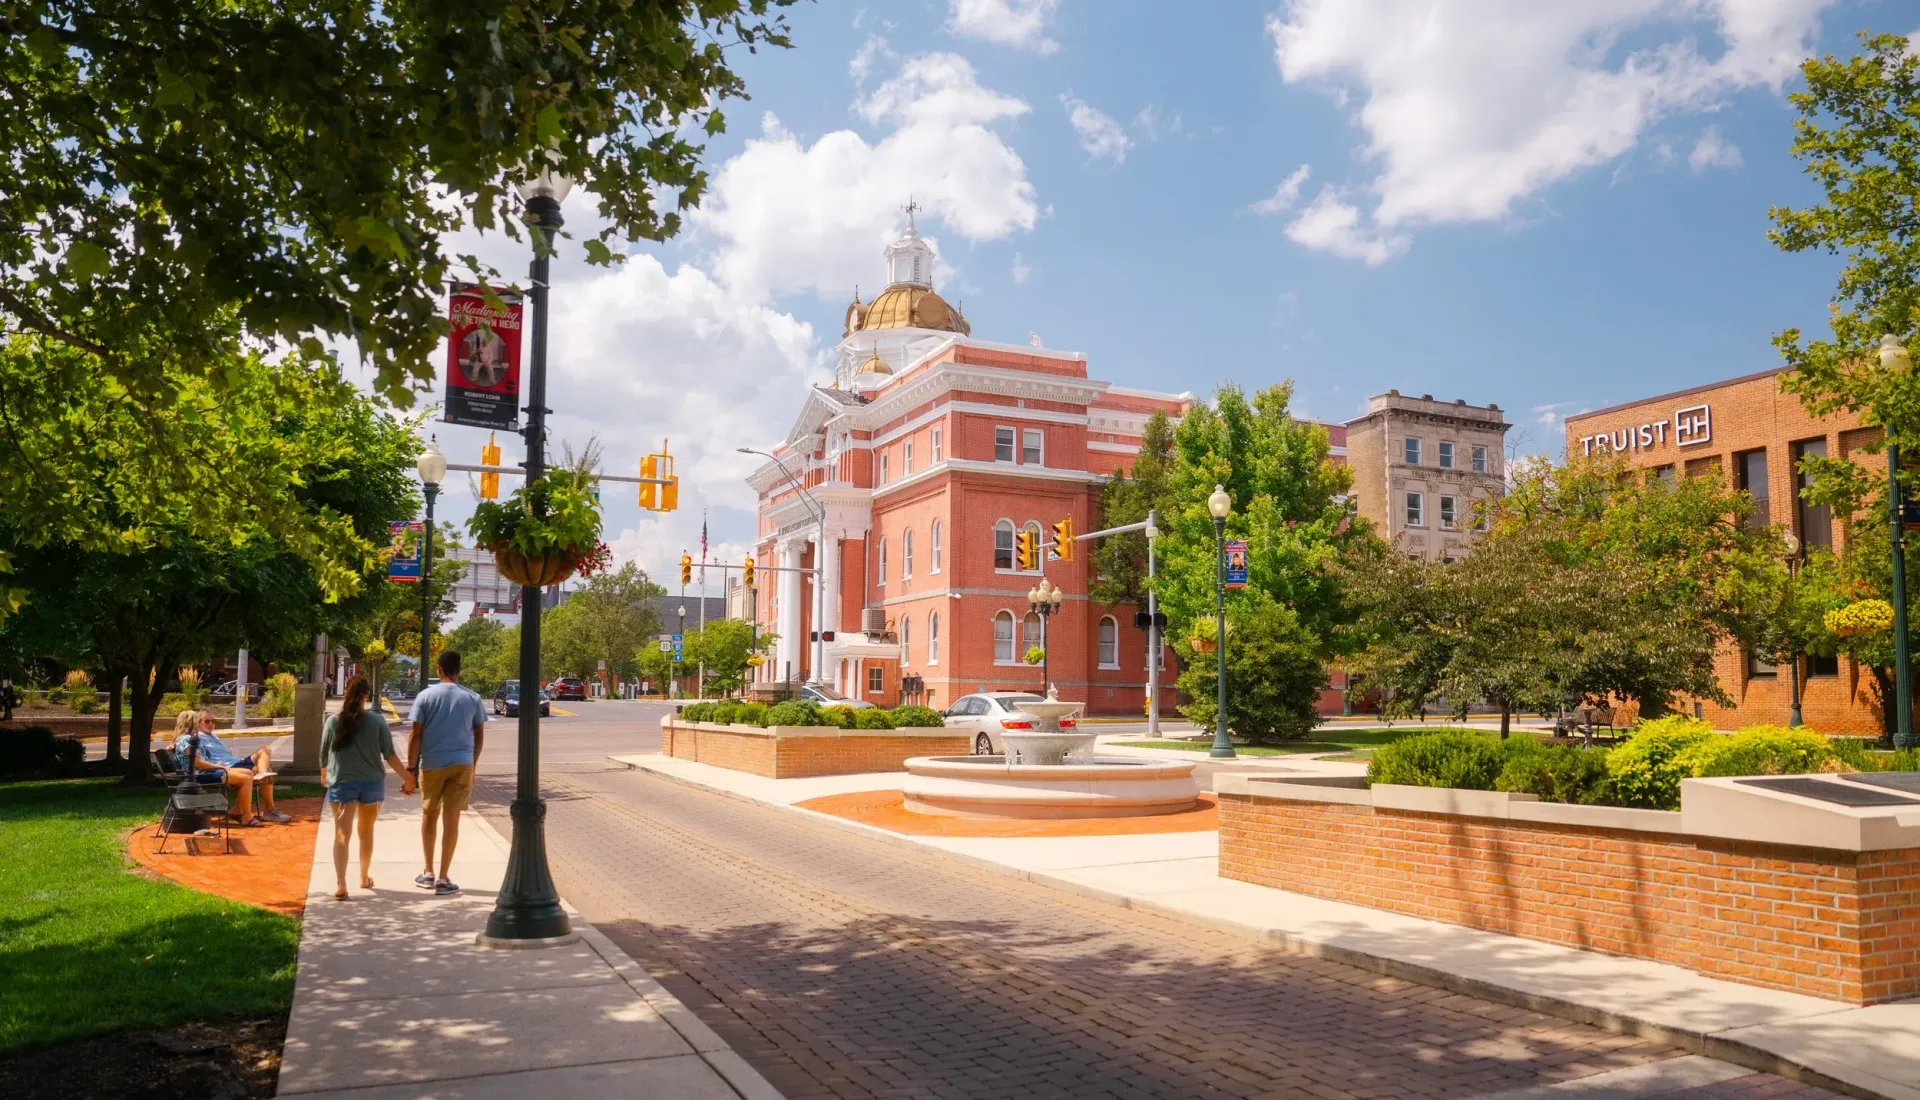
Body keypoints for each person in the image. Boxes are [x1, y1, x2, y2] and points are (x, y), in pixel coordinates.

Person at [320, 676, 414, 900]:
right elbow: (389, 754)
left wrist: (324, 775)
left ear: (345, 694)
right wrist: (407, 778)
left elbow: (323, 754)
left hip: (342, 783)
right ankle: (363, 876)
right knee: (366, 832)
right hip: (372, 783)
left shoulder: (334, 722)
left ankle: (341, 883)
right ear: (366, 696)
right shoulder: (378, 721)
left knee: (342, 834)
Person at [407, 649, 485, 895]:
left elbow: (415, 735)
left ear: (438, 669)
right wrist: (473, 764)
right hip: (462, 763)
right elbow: (479, 734)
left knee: (429, 815)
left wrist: (410, 769)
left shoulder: (425, 696)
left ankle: (428, 871)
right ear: (459, 670)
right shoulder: (473, 698)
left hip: (432, 763)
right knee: (452, 819)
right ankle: (443, 877)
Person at [179, 709, 290, 826]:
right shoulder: (191, 739)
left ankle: (261, 806)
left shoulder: (210, 736)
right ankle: (246, 815)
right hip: (217, 770)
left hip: (229, 764)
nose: (211, 724)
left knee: (264, 758)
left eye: (213, 721)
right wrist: (219, 766)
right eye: (207, 721)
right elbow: (196, 761)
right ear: (197, 723)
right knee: (248, 776)